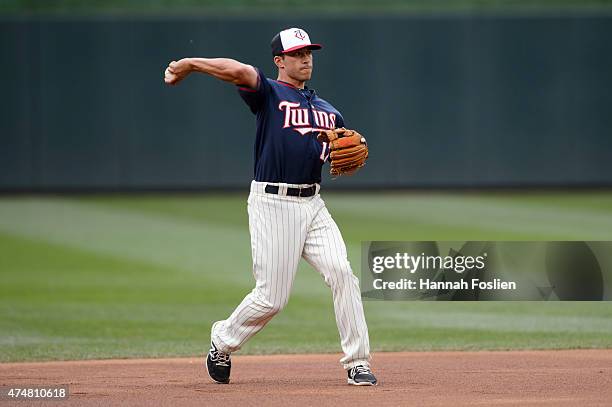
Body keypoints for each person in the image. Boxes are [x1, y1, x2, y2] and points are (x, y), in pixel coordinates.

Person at [164, 27, 377, 386]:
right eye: (296, 54)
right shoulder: (268, 92)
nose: (305, 58)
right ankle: (222, 340)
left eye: (308, 52)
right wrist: (190, 64)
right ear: (279, 61)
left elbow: (338, 150)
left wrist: (352, 145)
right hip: (273, 203)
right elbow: (238, 70)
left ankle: (357, 361)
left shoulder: (330, 111)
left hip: (313, 203)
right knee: (272, 298)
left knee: (343, 273)